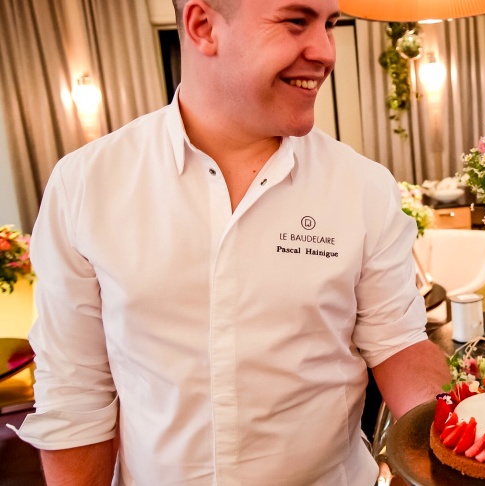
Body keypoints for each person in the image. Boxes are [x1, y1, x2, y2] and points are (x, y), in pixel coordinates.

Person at [14, 0, 452, 484]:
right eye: (296, 21)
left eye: (330, 24)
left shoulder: (363, 186)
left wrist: (475, 441)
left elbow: (399, 345)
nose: (326, 51)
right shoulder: (85, 184)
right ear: (203, 26)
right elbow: (76, 392)